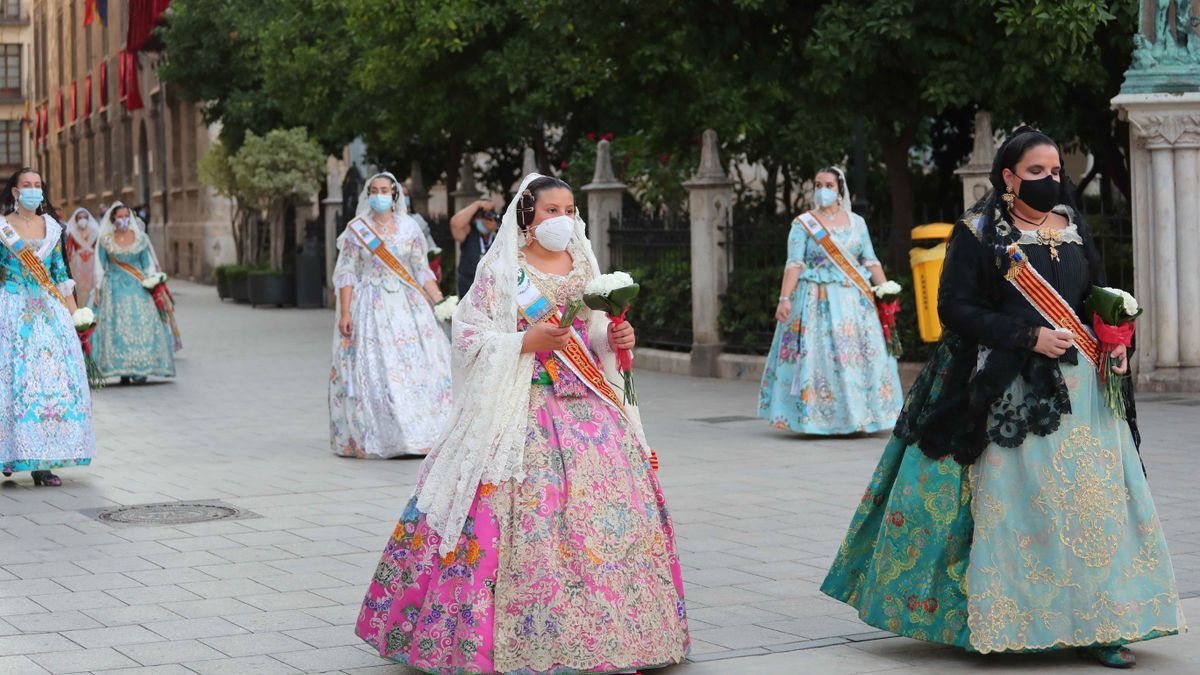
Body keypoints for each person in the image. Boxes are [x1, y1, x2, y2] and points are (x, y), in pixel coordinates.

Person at [820, 128, 1185, 668]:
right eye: (1036, 172)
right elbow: (956, 310)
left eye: (1056, 171)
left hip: (1085, 390)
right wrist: (1027, 336)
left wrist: (1117, 342)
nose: (1050, 180)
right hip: (1012, 391)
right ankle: (1014, 623)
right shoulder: (978, 233)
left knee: (1093, 510)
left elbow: (1094, 296)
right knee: (1026, 512)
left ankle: (1103, 624)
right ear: (1009, 177)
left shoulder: (1073, 224)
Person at [355, 174, 689, 674]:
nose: (564, 219)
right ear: (529, 214)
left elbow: (594, 339)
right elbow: (468, 338)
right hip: (524, 406)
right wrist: (523, 343)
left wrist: (617, 336)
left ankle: (618, 632)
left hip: (588, 408)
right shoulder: (502, 270)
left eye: (570, 210)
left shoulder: (584, 262)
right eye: (553, 210)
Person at [758, 167, 902, 435]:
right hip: (816, 301)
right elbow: (794, 263)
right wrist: (784, 298)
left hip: (856, 303)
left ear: (840, 190)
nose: (822, 189)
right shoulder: (803, 224)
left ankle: (860, 416)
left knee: (857, 359)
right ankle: (819, 418)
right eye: (817, 184)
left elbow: (870, 260)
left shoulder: (857, 223)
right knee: (820, 358)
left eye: (828, 185)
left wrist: (885, 293)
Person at [329, 171, 451, 459]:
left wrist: (440, 300)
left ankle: (422, 432)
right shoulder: (357, 229)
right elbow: (347, 271)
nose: (379, 194)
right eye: (374, 189)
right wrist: (345, 312)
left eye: (385, 189)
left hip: (408, 304)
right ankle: (384, 434)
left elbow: (421, 269)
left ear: (395, 195)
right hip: (370, 304)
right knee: (378, 367)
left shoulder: (410, 228)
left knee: (417, 365)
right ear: (368, 194)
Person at [0, 168, 95, 487]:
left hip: (49, 314)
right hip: (11, 310)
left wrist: (76, 317)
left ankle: (43, 461)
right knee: (11, 383)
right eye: (26, 185)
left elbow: (58, 273)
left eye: (37, 185)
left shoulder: (53, 228)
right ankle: (9, 453)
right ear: (14, 192)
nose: (33, 190)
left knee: (47, 386)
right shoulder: (2, 228)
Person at [91, 202, 177, 384]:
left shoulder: (140, 239)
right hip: (114, 288)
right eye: (120, 216)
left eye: (126, 216)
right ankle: (122, 371)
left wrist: (154, 283)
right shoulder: (105, 240)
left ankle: (141, 370)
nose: (123, 219)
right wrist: (98, 288)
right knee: (117, 326)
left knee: (141, 324)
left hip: (139, 287)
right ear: (113, 219)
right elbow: (99, 265)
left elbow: (147, 264)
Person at [450, 195, 500, 296]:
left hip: (493, 285)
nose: (487, 220)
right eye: (482, 216)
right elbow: (455, 224)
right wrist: (477, 205)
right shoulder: (470, 231)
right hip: (469, 284)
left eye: (490, 215)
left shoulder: (499, 235)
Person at [65, 208, 100, 306]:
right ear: (76, 219)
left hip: (92, 262)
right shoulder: (72, 233)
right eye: (80, 217)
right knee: (79, 287)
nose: (82, 219)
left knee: (92, 285)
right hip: (77, 264)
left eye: (84, 217)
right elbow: (68, 250)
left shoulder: (95, 231)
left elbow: (98, 248)